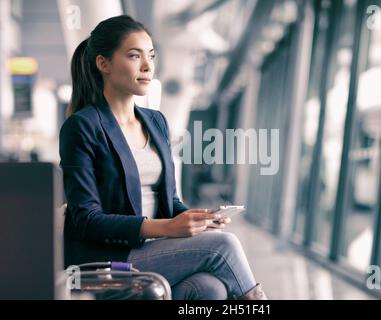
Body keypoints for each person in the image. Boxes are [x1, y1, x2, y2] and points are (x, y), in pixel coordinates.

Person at [59, 15, 267, 300]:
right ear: (103, 63)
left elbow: (169, 200)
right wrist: (166, 227)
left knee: (210, 288)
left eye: (151, 56)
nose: (147, 66)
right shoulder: (82, 126)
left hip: (151, 249)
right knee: (223, 246)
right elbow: (87, 220)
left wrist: (196, 218)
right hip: (106, 262)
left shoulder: (155, 122)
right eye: (134, 56)